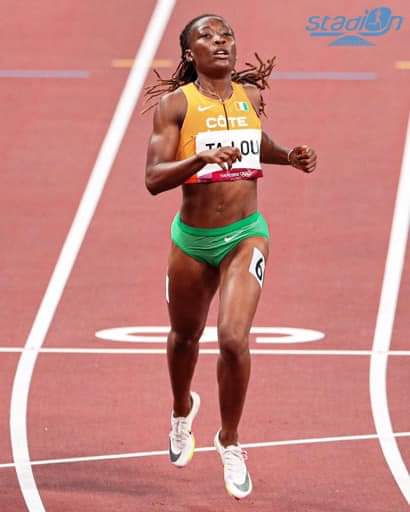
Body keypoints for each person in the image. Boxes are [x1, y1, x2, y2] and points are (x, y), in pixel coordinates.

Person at [144, 14, 317, 500]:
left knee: (233, 338)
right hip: (193, 241)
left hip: (246, 235)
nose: (220, 42)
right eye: (207, 36)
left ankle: (231, 440)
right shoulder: (176, 106)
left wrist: (289, 156)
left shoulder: (250, 98)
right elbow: (153, 178)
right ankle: (182, 412)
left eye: (226, 35)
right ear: (189, 53)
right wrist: (199, 158)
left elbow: (255, 143)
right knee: (184, 338)